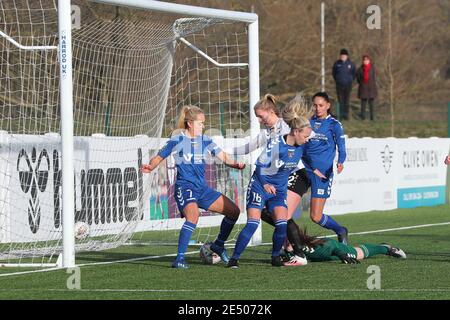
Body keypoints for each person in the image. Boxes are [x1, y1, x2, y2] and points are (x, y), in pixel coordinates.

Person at [141, 105, 246, 269]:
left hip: (202, 189)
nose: (203, 126)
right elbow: (160, 156)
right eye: (200, 123)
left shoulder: (205, 140)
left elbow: (223, 156)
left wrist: (236, 164)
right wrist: (150, 166)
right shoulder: (177, 140)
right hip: (185, 187)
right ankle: (179, 258)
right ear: (190, 123)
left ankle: (218, 245)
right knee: (193, 216)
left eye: (203, 123)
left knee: (234, 211)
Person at [227, 95, 313, 268]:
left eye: (261, 116)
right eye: (257, 117)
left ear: (271, 111)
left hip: (286, 181)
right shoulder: (272, 138)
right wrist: (223, 151)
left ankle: (285, 255)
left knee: (282, 221)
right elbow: (255, 158)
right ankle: (234, 259)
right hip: (262, 183)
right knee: (256, 222)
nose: (259, 120)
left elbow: (310, 135)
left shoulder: (290, 128)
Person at [302, 92, 349, 243]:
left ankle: (340, 230)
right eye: (315, 105)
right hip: (303, 170)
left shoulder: (334, 124)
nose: (317, 108)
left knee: (315, 216)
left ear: (328, 105)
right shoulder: (307, 123)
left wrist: (340, 161)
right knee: (285, 211)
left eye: (321, 105)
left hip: (322, 174)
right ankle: (287, 246)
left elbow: (341, 146)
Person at [295, 226, 406, 263]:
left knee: (356, 254)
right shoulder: (288, 245)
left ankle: (385, 249)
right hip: (328, 250)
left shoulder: (310, 249)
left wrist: (342, 255)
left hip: (331, 246)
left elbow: (331, 248)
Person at [332, 48, 356, 121]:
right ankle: (341, 115)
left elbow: (354, 73)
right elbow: (334, 73)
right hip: (339, 85)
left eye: (344, 55)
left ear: (347, 56)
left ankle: (346, 115)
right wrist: (337, 80)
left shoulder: (351, 64)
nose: (343, 57)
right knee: (340, 100)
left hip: (348, 85)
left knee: (347, 100)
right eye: (342, 55)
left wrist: (350, 80)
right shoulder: (337, 64)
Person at [356, 55, 378, 121]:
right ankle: (363, 118)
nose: (365, 61)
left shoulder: (373, 68)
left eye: (367, 60)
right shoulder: (360, 69)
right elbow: (358, 78)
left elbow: (374, 78)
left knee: (372, 104)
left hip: (371, 88)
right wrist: (361, 83)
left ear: (369, 61)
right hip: (363, 88)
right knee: (363, 104)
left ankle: (372, 118)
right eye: (364, 60)